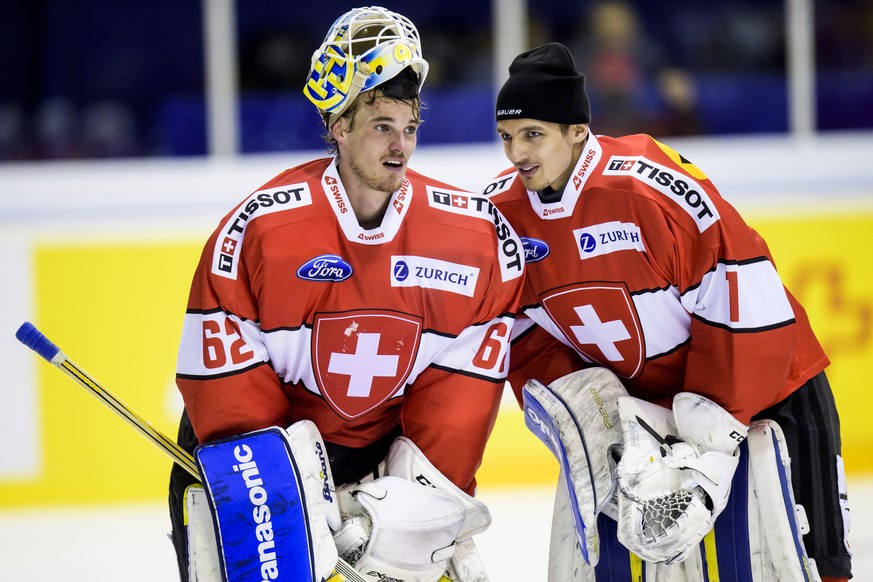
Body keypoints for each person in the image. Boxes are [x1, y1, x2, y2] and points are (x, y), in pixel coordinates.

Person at [167, 7, 524, 581]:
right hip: (254, 466)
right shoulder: (262, 230)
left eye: (409, 128)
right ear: (338, 125)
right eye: (382, 125)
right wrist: (287, 497)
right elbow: (225, 385)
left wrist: (412, 507)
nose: (400, 146)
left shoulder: (470, 239)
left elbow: (457, 400)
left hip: (379, 466)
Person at [484, 42, 851, 581]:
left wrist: (709, 446)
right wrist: (597, 420)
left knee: (813, 565)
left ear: (577, 131)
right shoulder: (500, 218)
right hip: (647, 429)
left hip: (774, 390)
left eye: (533, 134)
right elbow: (519, 336)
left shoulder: (650, 187)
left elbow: (745, 298)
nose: (517, 154)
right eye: (507, 138)